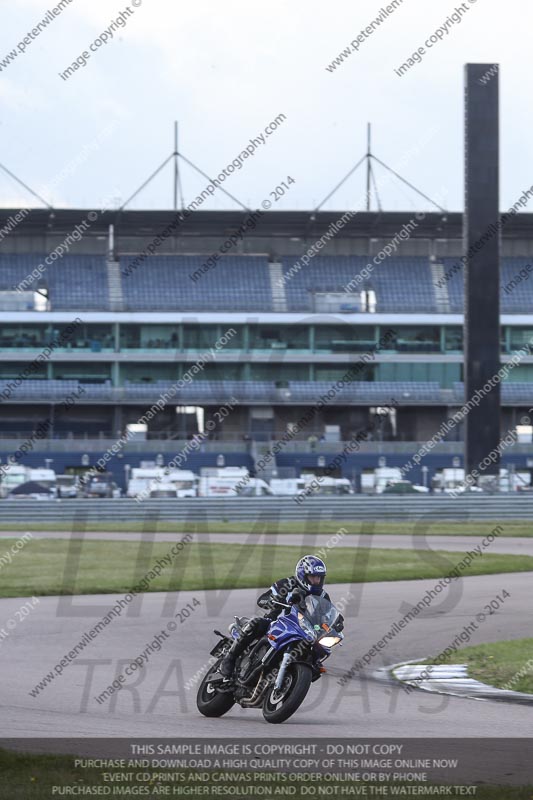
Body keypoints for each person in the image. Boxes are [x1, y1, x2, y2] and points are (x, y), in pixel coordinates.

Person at [219, 555, 343, 678]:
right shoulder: (287, 584)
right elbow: (262, 599)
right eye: (313, 577)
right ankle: (229, 658)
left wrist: (336, 623)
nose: (317, 581)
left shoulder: (322, 596)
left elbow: (326, 614)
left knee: (318, 652)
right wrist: (273, 599)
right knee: (256, 623)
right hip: (276, 622)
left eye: (319, 578)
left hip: (304, 629)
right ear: (302, 575)